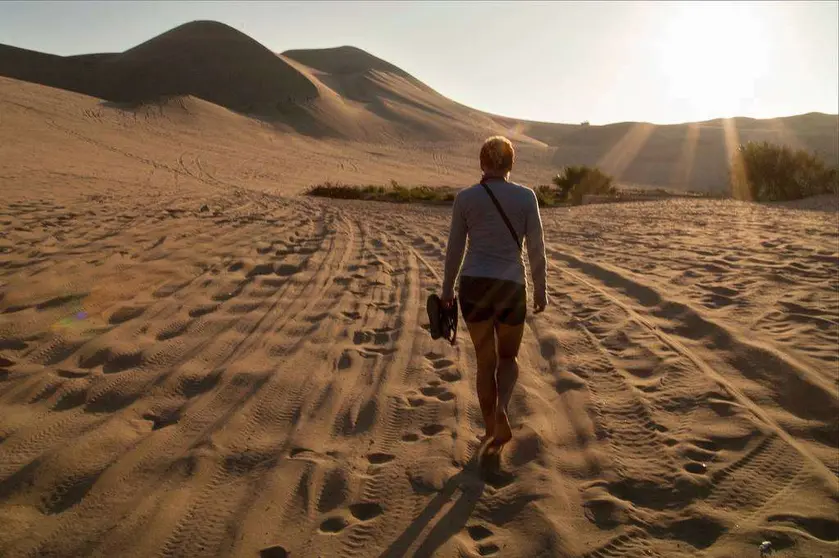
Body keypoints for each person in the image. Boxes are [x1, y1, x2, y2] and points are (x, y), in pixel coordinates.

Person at [441, 135, 547, 458]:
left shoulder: (465, 198)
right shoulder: (527, 197)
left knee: (485, 364)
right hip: (511, 286)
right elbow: (536, 248)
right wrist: (541, 288)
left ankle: (490, 428)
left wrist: (447, 290)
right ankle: (502, 407)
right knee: (508, 359)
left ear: (481, 163)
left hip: (474, 285)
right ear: (511, 164)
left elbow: (455, 248)